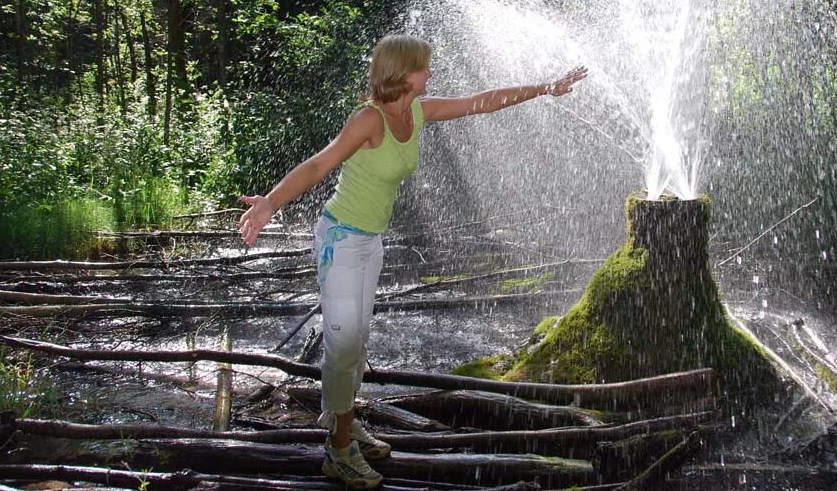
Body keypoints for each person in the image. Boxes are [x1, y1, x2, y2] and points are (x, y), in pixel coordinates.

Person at [238, 34, 587, 488]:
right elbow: (318, 165)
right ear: (402, 73)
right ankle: (338, 451)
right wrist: (271, 202)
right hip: (340, 241)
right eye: (424, 66)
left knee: (356, 341)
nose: (431, 71)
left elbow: (482, 102)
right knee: (344, 346)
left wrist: (546, 88)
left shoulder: (418, 111)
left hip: (370, 243)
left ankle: (343, 423)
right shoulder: (369, 119)